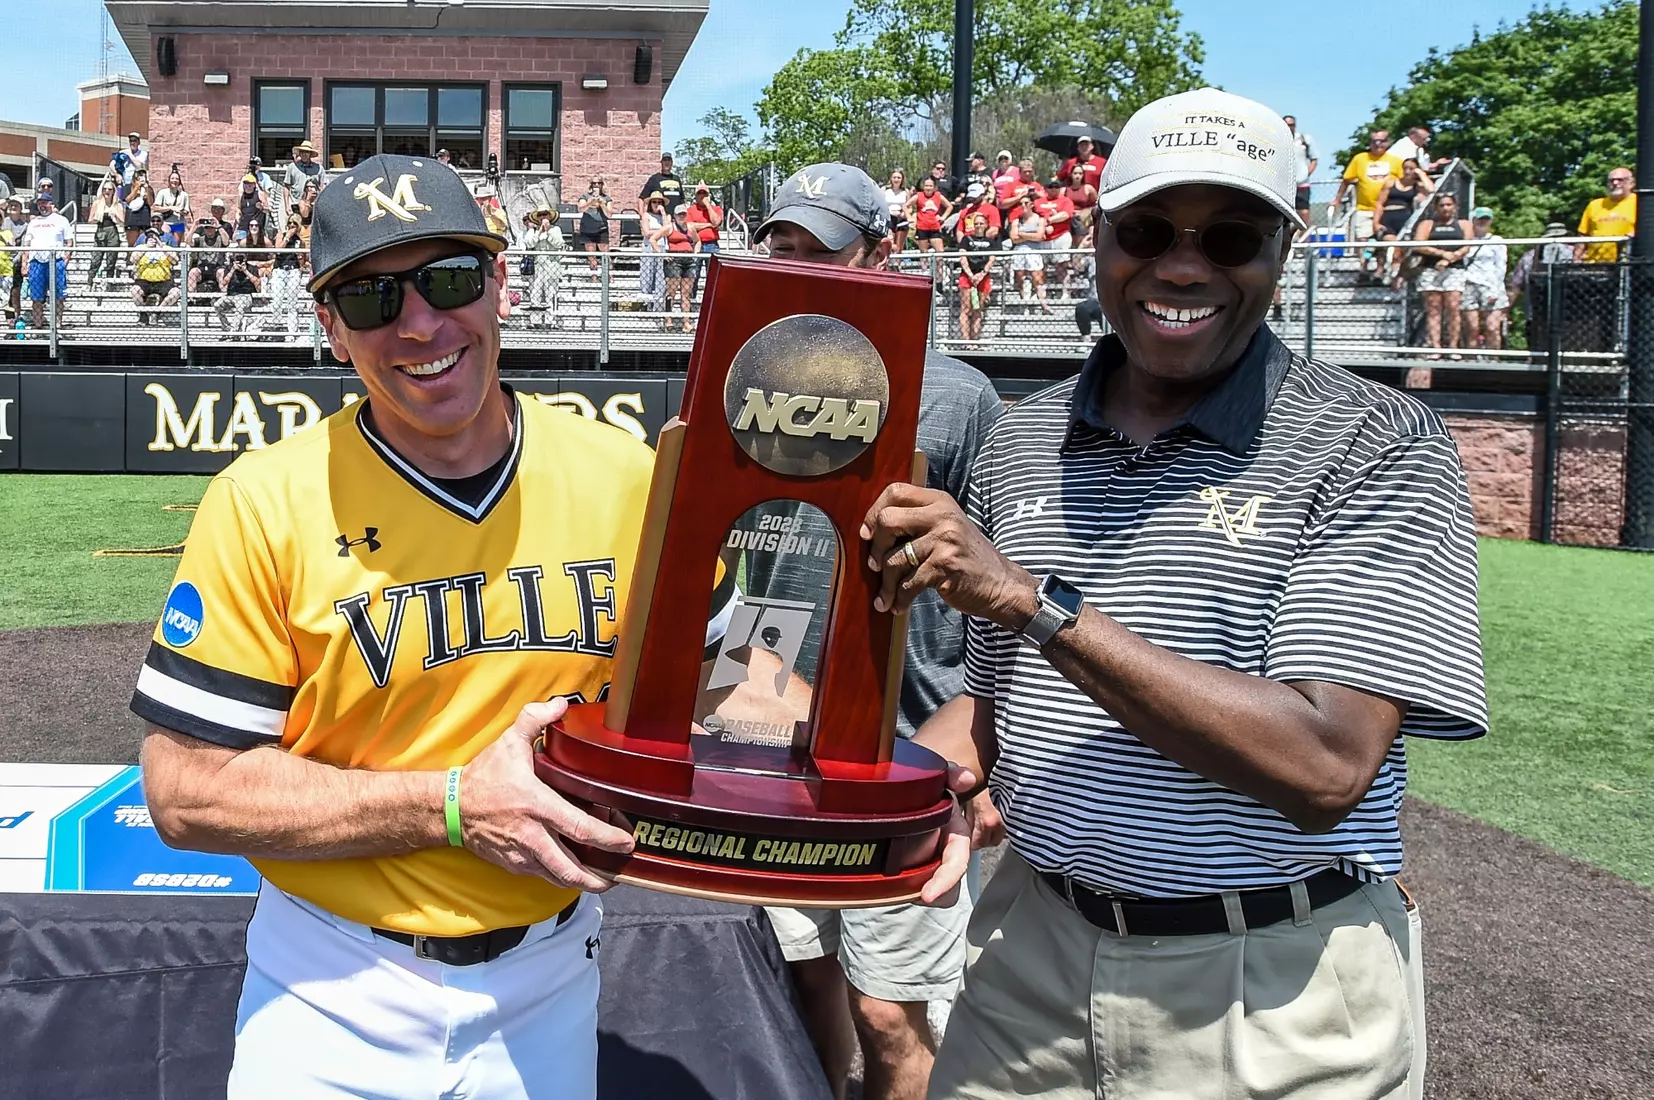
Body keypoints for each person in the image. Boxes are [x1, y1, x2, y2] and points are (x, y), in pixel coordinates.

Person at [132, 152, 832, 1100]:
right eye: (374, 300)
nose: (420, 322)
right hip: (330, 987)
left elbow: (735, 693)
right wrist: (452, 804)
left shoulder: (625, 478)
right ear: (332, 329)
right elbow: (187, 792)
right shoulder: (262, 502)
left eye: (449, 278)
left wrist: (893, 793)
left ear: (502, 283)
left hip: (553, 974)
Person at [859, 86, 1486, 1100]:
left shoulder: (1373, 441)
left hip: (1270, 989)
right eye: (1146, 228)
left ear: (1283, 250)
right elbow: (992, 701)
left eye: (1230, 235)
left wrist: (1037, 602)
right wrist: (845, 799)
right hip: (1027, 955)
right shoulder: (1023, 437)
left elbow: (1323, 763)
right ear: (1097, 238)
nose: (1182, 264)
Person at [746, 161, 1002, 1100]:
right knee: (797, 976)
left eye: (827, 252)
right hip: (771, 728)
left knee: (890, 1009)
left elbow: (999, 581)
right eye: (784, 250)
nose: (803, 270)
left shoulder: (956, 396)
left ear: (883, 253)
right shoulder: (743, 365)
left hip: (906, 740)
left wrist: (982, 754)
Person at [1331, 131, 1402, 279]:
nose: (1378, 144)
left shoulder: (1395, 161)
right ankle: (1363, 267)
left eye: (1381, 141)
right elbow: (1346, 180)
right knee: (1363, 240)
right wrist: (1337, 199)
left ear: (1387, 143)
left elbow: (1403, 182)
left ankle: (1379, 271)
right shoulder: (1360, 159)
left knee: (1382, 241)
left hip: (1385, 209)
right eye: (1374, 141)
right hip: (1364, 208)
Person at [1412, 191, 1472, 361]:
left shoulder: (1463, 224)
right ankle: (1435, 346)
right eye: (1442, 205)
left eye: (1449, 204)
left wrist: (1450, 259)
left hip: (1454, 269)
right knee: (1433, 309)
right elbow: (1419, 244)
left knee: (1453, 307)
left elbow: (1467, 245)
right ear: (1436, 207)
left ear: (1455, 207)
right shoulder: (1428, 224)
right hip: (1431, 269)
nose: (1445, 208)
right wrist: (1441, 253)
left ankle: (1453, 347)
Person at [1373, 158, 1434, 287]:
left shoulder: (1417, 186)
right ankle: (1381, 270)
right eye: (1405, 168)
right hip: (1388, 217)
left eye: (1411, 168)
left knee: (1399, 250)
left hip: (1405, 218)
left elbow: (1431, 190)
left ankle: (1395, 276)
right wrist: (1376, 222)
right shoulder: (1391, 183)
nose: (1407, 171)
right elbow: (1379, 203)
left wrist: (1421, 174)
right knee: (1388, 243)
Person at [1460, 206, 1507, 352]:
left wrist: (1496, 290)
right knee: (1472, 327)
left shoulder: (1497, 241)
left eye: (1486, 219)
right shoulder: (1465, 240)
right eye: (1480, 219)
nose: (1482, 222)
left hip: (1491, 285)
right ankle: (1471, 358)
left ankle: (1494, 359)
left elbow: (1501, 267)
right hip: (1469, 284)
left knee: (1492, 327)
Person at [22, 194, 72, 330]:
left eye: (45, 202)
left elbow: (69, 242)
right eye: (40, 203)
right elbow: (26, 244)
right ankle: (38, 325)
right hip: (37, 262)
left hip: (56, 261)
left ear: (51, 203)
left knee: (59, 296)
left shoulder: (62, 220)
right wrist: (24, 263)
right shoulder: (33, 223)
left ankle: (57, 324)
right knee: (37, 297)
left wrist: (65, 261)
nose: (42, 205)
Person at [215, 221, 269, 337]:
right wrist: (233, 270)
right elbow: (223, 283)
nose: (240, 259)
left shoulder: (251, 267)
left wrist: (245, 271)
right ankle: (227, 327)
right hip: (231, 295)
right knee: (217, 305)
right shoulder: (230, 267)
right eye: (237, 257)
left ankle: (233, 333)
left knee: (239, 305)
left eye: (242, 257)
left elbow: (258, 284)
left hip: (246, 296)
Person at [1576, 167, 1636, 262]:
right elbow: (1583, 236)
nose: (1615, 183)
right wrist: (1576, 260)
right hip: (1595, 263)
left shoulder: (1641, 203)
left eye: (1620, 180)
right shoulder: (1594, 205)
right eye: (1612, 180)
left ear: (1631, 183)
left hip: (1627, 263)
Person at [520, 203, 566, 328]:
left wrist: (548, 232)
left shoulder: (556, 230)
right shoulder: (533, 230)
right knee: (535, 292)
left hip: (552, 264)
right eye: (540, 215)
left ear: (550, 216)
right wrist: (539, 232)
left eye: (545, 214)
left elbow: (558, 244)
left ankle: (552, 320)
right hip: (537, 265)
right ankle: (535, 321)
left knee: (552, 293)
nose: (542, 217)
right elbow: (529, 243)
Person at [130, 229, 182, 325]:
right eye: (149, 236)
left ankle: (157, 312)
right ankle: (143, 314)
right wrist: (146, 248)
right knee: (134, 290)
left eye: (154, 236)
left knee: (176, 293)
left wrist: (162, 248)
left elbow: (175, 261)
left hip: (163, 281)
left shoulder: (166, 248)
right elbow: (133, 260)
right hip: (144, 280)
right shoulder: (141, 247)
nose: (151, 238)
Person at [269, 214, 309, 339]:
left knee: (292, 303)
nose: (292, 225)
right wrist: (287, 237)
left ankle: (292, 332)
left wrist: (300, 266)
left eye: (295, 223)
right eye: (290, 222)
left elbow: (303, 257)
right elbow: (278, 250)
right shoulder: (281, 235)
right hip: (279, 270)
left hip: (293, 271)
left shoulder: (300, 241)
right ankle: (277, 327)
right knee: (277, 300)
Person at [957, 211, 995, 343]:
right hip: (967, 276)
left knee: (978, 309)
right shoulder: (966, 239)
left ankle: (975, 340)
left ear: (986, 225)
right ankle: (965, 341)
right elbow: (962, 257)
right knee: (966, 308)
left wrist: (982, 274)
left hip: (983, 277)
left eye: (981, 223)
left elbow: (991, 259)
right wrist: (970, 274)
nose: (979, 226)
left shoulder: (990, 242)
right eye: (976, 223)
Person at [1008, 193, 1048, 309]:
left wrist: (1021, 234)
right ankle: (1025, 304)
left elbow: (1040, 236)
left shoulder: (1039, 219)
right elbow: (1014, 239)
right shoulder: (1017, 221)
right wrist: (1031, 235)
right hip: (1019, 252)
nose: (1023, 205)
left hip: (1034, 251)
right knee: (1020, 279)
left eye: (1026, 203)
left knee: (1037, 278)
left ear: (1031, 204)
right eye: (1020, 203)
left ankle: (1040, 302)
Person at [1035, 184, 1076, 294]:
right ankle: (1041, 293)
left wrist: (1048, 220)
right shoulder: (1038, 202)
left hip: (1061, 235)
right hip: (1043, 238)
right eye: (1050, 187)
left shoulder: (1065, 200)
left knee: (1062, 265)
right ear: (1045, 189)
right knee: (1041, 267)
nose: (1053, 189)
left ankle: (1064, 292)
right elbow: (1034, 216)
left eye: (1056, 187)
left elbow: (1066, 214)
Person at [663, 202, 698, 331]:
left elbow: (697, 241)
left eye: (683, 214)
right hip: (674, 260)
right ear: (674, 216)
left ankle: (686, 322)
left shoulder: (690, 227)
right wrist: (662, 254)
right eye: (679, 214)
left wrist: (696, 254)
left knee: (686, 293)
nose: (681, 216)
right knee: (671, 292)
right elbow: (653, 238)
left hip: (688, 260)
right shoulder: (669, 227)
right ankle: (668, 319)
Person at [188, 201, 233, 298]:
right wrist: (194, 226)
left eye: (211, 228)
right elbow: (188, 241)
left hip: (217, 267)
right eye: (207, 228)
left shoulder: (220, 236)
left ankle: (224, 298)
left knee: (222, 273)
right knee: (193, 273)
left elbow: (226, 242)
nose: (209, 229)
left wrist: (218, 226)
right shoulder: (200, 238)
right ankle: (192, 299)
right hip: (202, 267)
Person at [637, 191, 670, 321]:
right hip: (649, 248)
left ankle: (658, 307)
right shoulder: (646, 216)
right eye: (654, 202)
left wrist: (663, 213)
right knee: (647, 275)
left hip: (662, 247)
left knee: (660, 277)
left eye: (659, 202)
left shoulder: (665, 216)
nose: (657, 204)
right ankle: (646, 306)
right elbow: (646, 232)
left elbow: (669, 229)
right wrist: (662, 231)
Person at [87, 179, 126, 286]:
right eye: (105, 189)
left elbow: (123, 223)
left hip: (112, 232)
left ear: (113, 191)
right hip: (100, 231)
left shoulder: (118, 205)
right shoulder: (97, 203)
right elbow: (90, 220)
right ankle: (89, 283)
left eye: (109, 189)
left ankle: (109, 284)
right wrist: (98, 218)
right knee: (95, 260)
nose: (107, 191)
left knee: (111, 261)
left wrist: (115, 217)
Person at [1282, 115, 1318, 226]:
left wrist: (1307, 173)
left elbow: (1314, 159)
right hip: (1284, 184)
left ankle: (1304, 239)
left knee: (1304, 212)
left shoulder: (1303, 140)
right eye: (1287, 125)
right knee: (1284, 212)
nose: (1289, 127)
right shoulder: (1278, 140)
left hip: (1302, 183)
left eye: (1292, 125)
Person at [907, 176, 952, 256]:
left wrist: (943, 217)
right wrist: (909, 217)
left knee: (940, 252)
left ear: (934, 187)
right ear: (923, 187)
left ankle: (939, 268)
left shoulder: (938, 195)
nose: (928, 188)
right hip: (922, 227)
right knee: (924, 253)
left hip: (934, 227)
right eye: (926, 186)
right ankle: (924, 268)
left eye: (930, 186)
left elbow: (950, 206)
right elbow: (906, 206)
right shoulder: (918, 195)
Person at [575, 177, 611, 271]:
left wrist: (602, 204)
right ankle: (594, 278)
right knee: (591, 256)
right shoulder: (585, 196)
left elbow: (610, 214)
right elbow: (581, 209)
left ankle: (609, 277)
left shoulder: (606, 198)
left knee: (605, 255)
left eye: (599, 183)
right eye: (594, 183)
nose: (596, 185)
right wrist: (590, 202)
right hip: (588, 228)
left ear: (602, 184)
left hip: (601, 227)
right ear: (591, 184)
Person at [154, 168, 193, 247]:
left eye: (176, 179)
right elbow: (155, 207)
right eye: (172, 178)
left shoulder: (184, 195)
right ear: (169, 180)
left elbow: (186, 212)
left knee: (175, 246)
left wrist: (180, 211)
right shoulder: (163, 192)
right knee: (165, 244)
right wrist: (171, 208)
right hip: (166, 222)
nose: (174, 180)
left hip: (178, 223)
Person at [1061, 164, 1098, 240]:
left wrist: (1085, 212)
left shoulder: (1088, 188)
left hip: (1082, 218)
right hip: (1068, 216)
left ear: (1083, 175)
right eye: (1075, 173)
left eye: (1080, 173)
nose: (1077, 176)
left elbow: (1096, 204)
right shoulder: (1064, 190)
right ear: (1071, 175)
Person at [283, 141, 323, 211]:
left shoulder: (318, 168)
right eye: (302, 152)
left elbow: (322, 187)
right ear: (299, 153)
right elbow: (286, 187)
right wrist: (287, 205)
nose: (304, 154)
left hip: (313, 204)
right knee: (295, 221)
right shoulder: (292, 167)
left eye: (307, 152)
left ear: (310, 154)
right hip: (295, 203)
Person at [125, 170, 155, 250]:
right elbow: (127, 200)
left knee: (143, 244)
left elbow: (150, 203)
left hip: (144, 220)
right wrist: (136, 188)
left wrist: (146, 190)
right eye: (138, 179)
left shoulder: (149, 189)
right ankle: (129, 261)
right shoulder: (128, 187)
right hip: (132, 220)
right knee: (132, 245)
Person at [884, 169, 912, 254]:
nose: (896, 179)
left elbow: (909, 207)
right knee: (889, 244)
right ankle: (887, 265)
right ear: (891, 179)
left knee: (899, 247)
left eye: (899, 178)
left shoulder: (905, 191)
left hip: (901, 219)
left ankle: (898, 265)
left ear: (902, 179)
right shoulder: (885, 190)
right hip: (889, 218)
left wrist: (905, 213)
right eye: (894, 177)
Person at [237, 173, 270, 242]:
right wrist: (237, 219)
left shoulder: (259, 194)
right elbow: (239, 209)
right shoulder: (241, 196)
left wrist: (262, 207)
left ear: (254, 185)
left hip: (256, 226)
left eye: (250, 183)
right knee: (241, 244)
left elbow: (267, 209)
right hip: (244, 225)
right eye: (246, 183)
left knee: (257, 245)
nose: (248, 185)